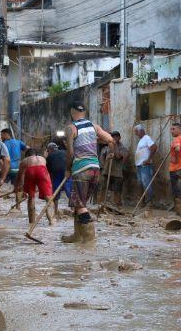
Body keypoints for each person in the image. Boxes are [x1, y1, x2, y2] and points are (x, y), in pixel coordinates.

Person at [62, 101, 114, 243]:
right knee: (79, 204)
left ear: (72, 112)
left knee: (79, 205)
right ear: (84, 113)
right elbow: (110, 139)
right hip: (95, 169)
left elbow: (71, 152)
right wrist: (110, 153)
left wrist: (67, 169)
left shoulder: (70, 128)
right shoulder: (94, 126)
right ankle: (77, 236)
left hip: (81, 169)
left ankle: (89, 239)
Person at [17, 148, 54, 225]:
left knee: (31, 197)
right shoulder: (42, 159)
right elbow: (46, 172)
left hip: (30, 171)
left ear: (26, 155)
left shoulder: (25, 160)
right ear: (36, 155)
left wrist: (19, 186)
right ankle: (51, 221)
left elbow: (20, 175)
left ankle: (31, 222)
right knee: (49, 198)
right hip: (42, 171)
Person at [1, 128, 29, 210]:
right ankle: (18, 207)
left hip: (7, 168)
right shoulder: (18, 142)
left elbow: (0, 158)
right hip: (17, 168)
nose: (1, 136)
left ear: (6, 134)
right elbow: (28, 148)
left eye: (2, 135)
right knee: (18, 187)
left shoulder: (3, 144)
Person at [99, 131, 129, 207]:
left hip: (117, 173)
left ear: (119, 137)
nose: (114, 138)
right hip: (106, 172)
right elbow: (102, 161)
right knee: (104, 188)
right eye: (113, 137)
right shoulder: (106, 148)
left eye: (116, 136)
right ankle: (102, 205)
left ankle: (117, 205)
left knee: (117, 190)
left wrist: (115, 146)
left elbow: (119, 156)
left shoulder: (123, 148)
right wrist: (107, 159)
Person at [134, 125, 157, 207]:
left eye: (136, 132)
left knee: (146, 183)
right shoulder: (141, 140)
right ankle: (142, 202)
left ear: (141, 131)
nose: (136, 134)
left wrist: (148, 159)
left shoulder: (146, 138)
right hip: (140, 165)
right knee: (140, 184)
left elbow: (154, 147)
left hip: (145, 165)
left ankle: (149, 203)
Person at [46, 142, 68, 217]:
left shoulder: (49, 156)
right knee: (70, 191)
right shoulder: (65, 152)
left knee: (55, 192)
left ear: (49, 150)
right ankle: (74, 210)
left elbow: (48, 171)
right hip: (67, 172)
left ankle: (55, 212)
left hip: (57, 173)